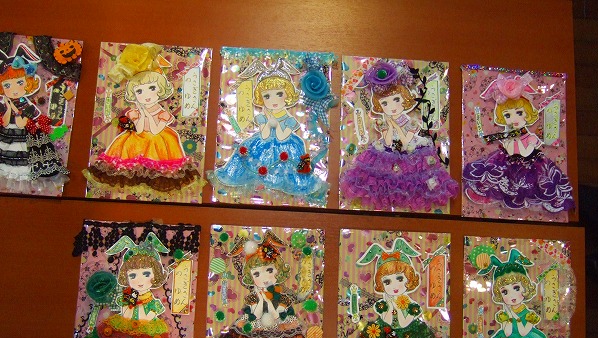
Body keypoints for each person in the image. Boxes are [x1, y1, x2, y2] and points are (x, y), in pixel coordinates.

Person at [340, 60, 458, 212]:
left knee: (416, 177)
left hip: (410, 148)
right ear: (380, 106)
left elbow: (407, 141)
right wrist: (390, 126)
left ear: (405, 99)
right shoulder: (383, 122)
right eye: (385, 103)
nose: (392, 106)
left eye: (396, 100)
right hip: (390, 148)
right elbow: (388, 141)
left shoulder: (411, 122)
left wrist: (396, 126)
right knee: (380, 175)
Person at [70, 232, 182, 338]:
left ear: (155, 275)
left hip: (147, 330)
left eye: (146, 274)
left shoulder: (151, 301)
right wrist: (129, 308)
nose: (140, 280)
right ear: (126, 277)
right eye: (133, 275)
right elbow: (125, 311)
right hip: (124, 326)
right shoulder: (130, 294)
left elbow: (150, 314)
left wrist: (140, 312)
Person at [86, 43, 199, 193]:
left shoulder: (163, 114)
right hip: (137, 139)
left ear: (160, 90)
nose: (146, 95)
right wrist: (141, 113)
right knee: (128, 147)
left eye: (152, 88)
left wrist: (147, 114)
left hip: (159, 140)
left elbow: (155, 130)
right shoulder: (134, 113)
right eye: (139, 91)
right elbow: (138, 130)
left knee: (155, 145)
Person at [340, 237, 447, 338]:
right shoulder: (384, 303)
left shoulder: (410, 304)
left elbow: (406, 320)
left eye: (399, 279)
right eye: (387, 282)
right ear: (381, 284)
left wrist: (401, 316)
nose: (395, 286)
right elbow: (386, 318)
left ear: (408, 279)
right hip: (386, 331)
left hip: (408, 332)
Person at [214, 58, 328, 197]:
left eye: (279, 94)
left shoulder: (289, 120)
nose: (273, 100)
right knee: (250, 154)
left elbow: (282, 136)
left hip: (286, 147)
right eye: (267, 96)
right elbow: (264, 135)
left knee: (290, 164)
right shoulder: (263, 117)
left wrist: (276, 124)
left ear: (287, 95)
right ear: (261, 98)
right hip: (263, 145)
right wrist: (268, 123)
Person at [464, 248, 571, 338]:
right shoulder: (504, 314)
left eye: (516, 288)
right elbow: (508, 332)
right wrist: (508, 317)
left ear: (524, 288)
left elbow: (523, 331)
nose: (512, 296)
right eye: (505, 292)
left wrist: (517, 317)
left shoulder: (529, 315)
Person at [213, 230, 318, 338]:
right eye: (257, 274)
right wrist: (261, 300)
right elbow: (254, 315)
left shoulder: (282, 298)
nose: (264, 278)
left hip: (279, 326)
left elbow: (278, 315)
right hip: (257, 325)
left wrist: (269, 302)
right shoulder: (253, 298)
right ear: (251, 277)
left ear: (278, 271)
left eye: (269, 270)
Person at [462, 74, 574, 212]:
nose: (514, 119)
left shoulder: (530, 137)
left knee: (532, 183)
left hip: (529, 164)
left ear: (527, 114)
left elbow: (527, 152)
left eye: (519, 113)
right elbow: (508, 149)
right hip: (506, 161)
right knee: (495, 174)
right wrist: (509, 139)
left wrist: (518, 140)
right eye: (508, 115)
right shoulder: (508, 135)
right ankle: (494, 194)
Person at [0, 43, 69, 193]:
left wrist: (14, 108)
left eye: (19, 83)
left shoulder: (26, 104)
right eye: (7, 85)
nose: (14, 89)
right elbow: (4, 122)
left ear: (28, 83)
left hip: (21, 137)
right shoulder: (3, 104)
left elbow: (22, 122)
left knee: (20, 163)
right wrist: (7, 107)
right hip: (6, 135)